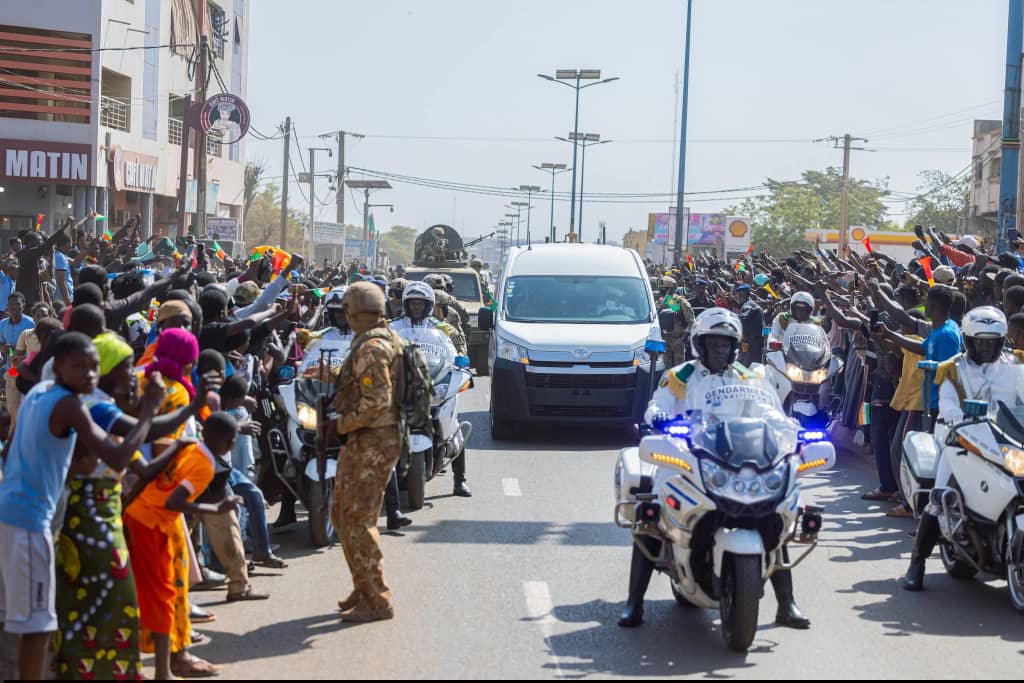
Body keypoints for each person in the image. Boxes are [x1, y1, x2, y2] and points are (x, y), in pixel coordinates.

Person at [618, 308, 811, 630]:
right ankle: (634, 602)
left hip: (737, 461)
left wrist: (790, 427)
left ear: (735, 347)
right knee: (650, 514)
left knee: (774, 513)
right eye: (713, 344)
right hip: (687, 458)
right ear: (700, 344)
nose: (720, 350)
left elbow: (767, 411)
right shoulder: (680, 376)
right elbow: (658, 405)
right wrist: (660, 417)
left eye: (725, 344)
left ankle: (786, 603)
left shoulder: (748, 378)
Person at [0, 332, 160, 681]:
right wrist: (148, 410)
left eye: (94, 367)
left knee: (18, 620)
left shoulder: (37, 393)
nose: (89, 374)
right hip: (30, 523)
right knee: (38, 627)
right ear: (58, 367)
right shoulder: (71, 404)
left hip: (10, 514)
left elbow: (9, 452)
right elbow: (118, 456)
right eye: (79, 366)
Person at [903, 306, 1024, 591]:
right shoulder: (954, 369)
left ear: (1002, 341)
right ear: (968, 341)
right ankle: (917, 564)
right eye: (980, 342)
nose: (986, 348)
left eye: (992, 343)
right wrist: (959, 418)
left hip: (1004, 437)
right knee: (940, 495)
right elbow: (947, 405)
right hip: (959, 436)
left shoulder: (1014, 364)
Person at [123, 413, 242, 680]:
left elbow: (150, 476)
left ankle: (169, 660)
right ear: (229, 442)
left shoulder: (189, 447)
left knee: (155, 592)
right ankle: (163, 671)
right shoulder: (204, 466)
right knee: (163, 596)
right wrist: (217, 508)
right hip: (152, 525)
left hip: (141, 516)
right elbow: (173, 502)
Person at [331, 282, 404, 622]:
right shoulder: (378, 339)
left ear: (353, 313)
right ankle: (363, 585)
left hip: (374, 441)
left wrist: (341, 424)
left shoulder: (372, 347)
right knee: (340, 514)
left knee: (358, 520)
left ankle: (377, 600)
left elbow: (377, 401)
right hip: (366, 439)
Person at [391, 282, 471, 497]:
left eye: (420, 304)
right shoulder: (394, 327)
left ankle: (460, 481)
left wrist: (459, 363)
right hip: (402, 385)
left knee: (454, 429)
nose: (416, 307)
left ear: (428, 305)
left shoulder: (440, 329)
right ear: (406, 305)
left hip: (431, 385)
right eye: (412, 303)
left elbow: (451, 354)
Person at [733, 283, 765, 366]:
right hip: (757, 343)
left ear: (741, 295)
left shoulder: (748, 305)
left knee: (747, 368)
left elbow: (743, 317)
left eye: (738, 295)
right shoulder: (754, 305)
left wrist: (729, 317)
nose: (737, 298)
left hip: (753, 345)